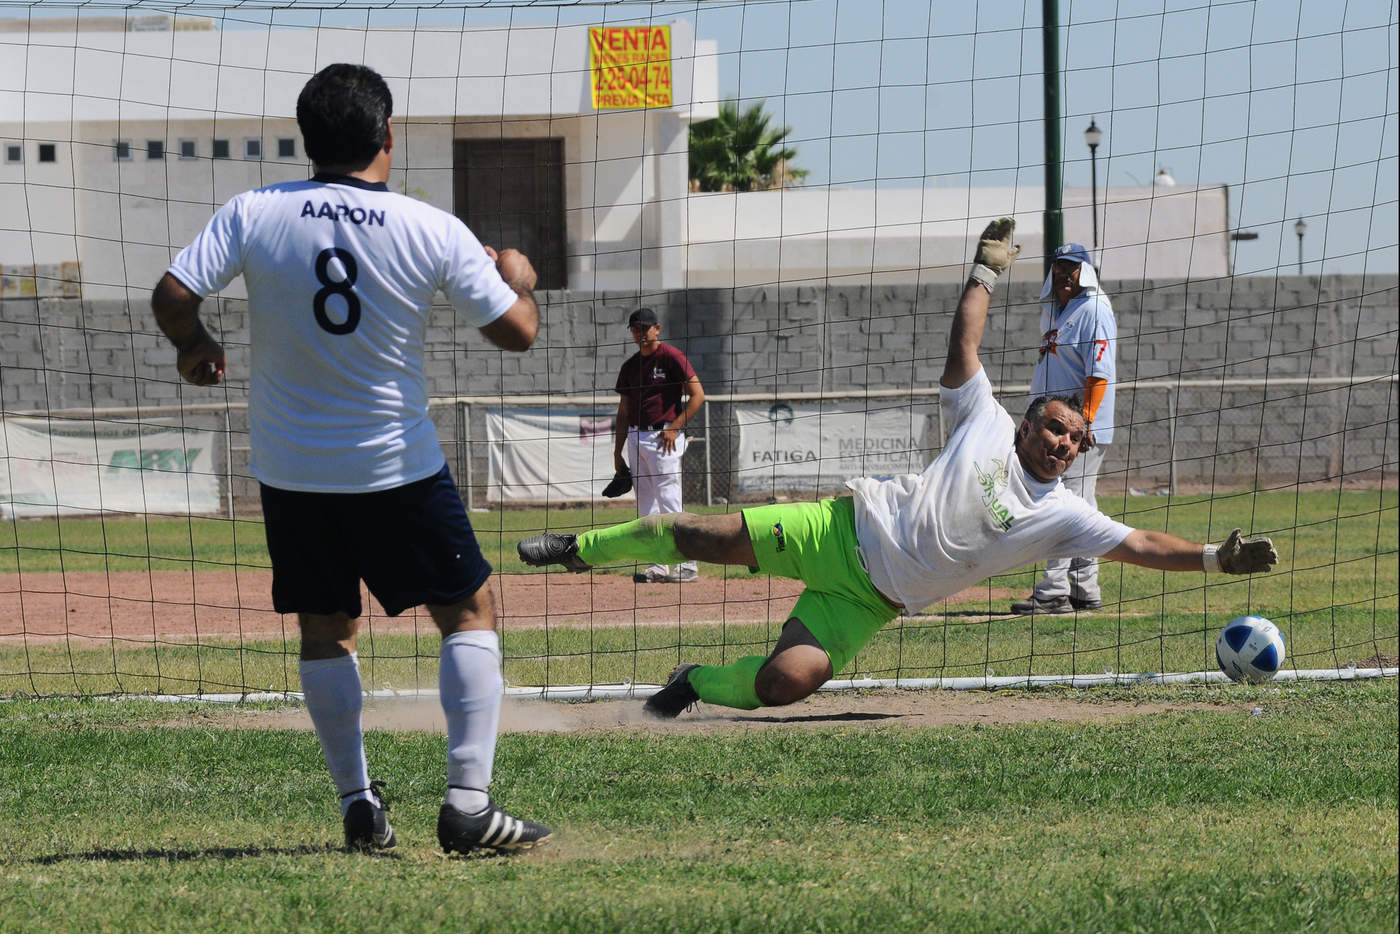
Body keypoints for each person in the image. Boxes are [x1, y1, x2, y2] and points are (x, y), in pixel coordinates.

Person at [516, 218, 1278, 720]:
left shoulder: (1063, 515)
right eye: (1054, 427)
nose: (1063, 443)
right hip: (838, 530)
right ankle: (577, 549)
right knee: (696, 535)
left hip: (869, 604)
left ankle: (692, 682)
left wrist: (1216, 558)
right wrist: (983, 273)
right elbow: (964, 348)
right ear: (1026, 423)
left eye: (1074, 440)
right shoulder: (982, 419)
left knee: (783, 684)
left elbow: (1140, 544)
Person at [151, 63, 551, 854]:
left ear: (307, 138)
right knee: (468, 612)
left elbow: (171, 295)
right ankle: (468, 805)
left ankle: (358, 803)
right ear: (387, 134)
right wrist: (521, 278)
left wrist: (195, 345)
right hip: (397, 465)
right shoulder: (430, 226)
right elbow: (518, 332)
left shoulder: (253, 211)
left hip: (292, 470)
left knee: (326, 631)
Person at [1011, 242, 1117, 614]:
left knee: (1059, 502)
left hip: (1077, 432)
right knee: (1080, 503)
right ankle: (1084, 588)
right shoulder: (1058, 312)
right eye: (1057, 267)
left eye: (1070, 267)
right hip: (1057, 427)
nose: (1062, 274)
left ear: (1084, 272)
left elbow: (1099, 372)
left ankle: (1054, 590)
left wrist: (1084, 421)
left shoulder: (1094, 309)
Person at [611, 306, 706, 583]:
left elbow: (698, 395)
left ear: (657, 328)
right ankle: (658, 565)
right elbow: (623, 411)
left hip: (663, 437)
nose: (639, 333)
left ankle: (688, 564)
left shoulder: (671, 357)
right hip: (635, 437)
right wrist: (617, 451)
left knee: (670, 501)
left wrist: (675, 427)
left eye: (644, 328)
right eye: (635, 329)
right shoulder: (630, 366)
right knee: (646, 506)